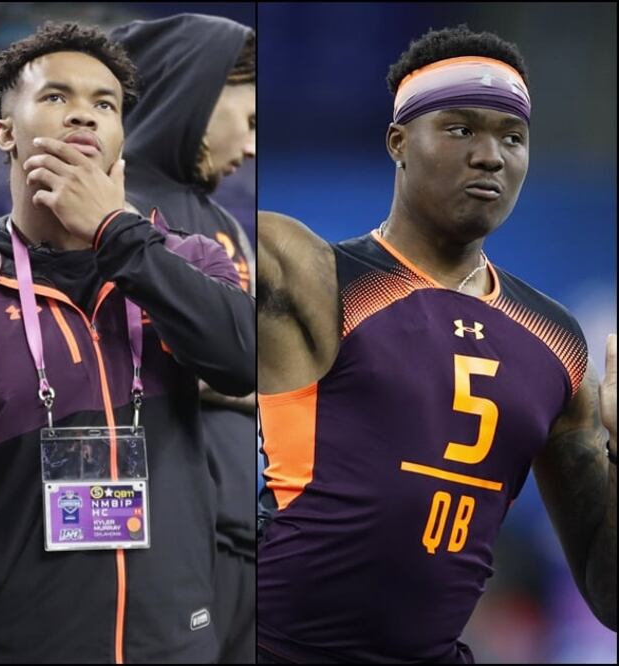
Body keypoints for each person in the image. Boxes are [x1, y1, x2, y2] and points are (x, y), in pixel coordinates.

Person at [255, 25, 617, 663]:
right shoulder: (318, 279)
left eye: (513, 137)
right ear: (398, 141)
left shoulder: (555, 340)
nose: (491, 156)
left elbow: (609, 598)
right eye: (461, 129)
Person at [0, 21, 256, 663]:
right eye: (56, 97)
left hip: (178, 647)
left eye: (105, 104)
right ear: (5, 131)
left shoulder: (193, 261)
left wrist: (116, 235)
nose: (84, 117)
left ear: (123, 134)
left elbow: (240, 359)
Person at [110, 14, 257, 663]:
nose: (251, 148)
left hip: (246, 537)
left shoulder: (227, 220)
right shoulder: (104, 207)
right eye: (248, 121)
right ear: (195, 96)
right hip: (147, 545)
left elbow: (261, 364)